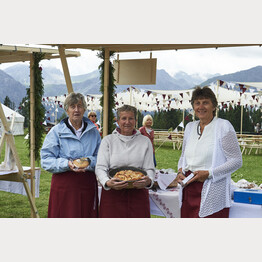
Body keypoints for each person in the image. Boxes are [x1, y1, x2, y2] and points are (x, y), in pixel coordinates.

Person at [176, 86, 242, 218]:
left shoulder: (223, 126)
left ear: (214, 106)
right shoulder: (189, 127)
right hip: (188, 188)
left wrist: (209, 173)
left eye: (205, 102)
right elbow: (183, 156)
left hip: (212, 190)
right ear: (193, 106)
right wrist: (179, 171)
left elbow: (236, 161)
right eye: (197, 103)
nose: (201, 107)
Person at [41, 92, 101, 218]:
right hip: (64, 186)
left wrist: (89, 162)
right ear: (67, 109)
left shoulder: (93, 132)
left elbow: (100, 158)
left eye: (79, 106)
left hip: (87, 185)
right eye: (72, 106)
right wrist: (66, 164)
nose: (76, 110)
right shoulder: (56, 132)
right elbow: (46, 160)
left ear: (84, 109)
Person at [95, 105, 155, 218]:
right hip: (113, 194)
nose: (127, 122)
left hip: (138, 193)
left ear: (136, 121)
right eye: (123, 118)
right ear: (117, 121)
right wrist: (107, 182)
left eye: (131, 118)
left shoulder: (145, 141)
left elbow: (149, 169)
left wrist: (149, 181)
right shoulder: (108, 140)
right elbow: (101, 167)